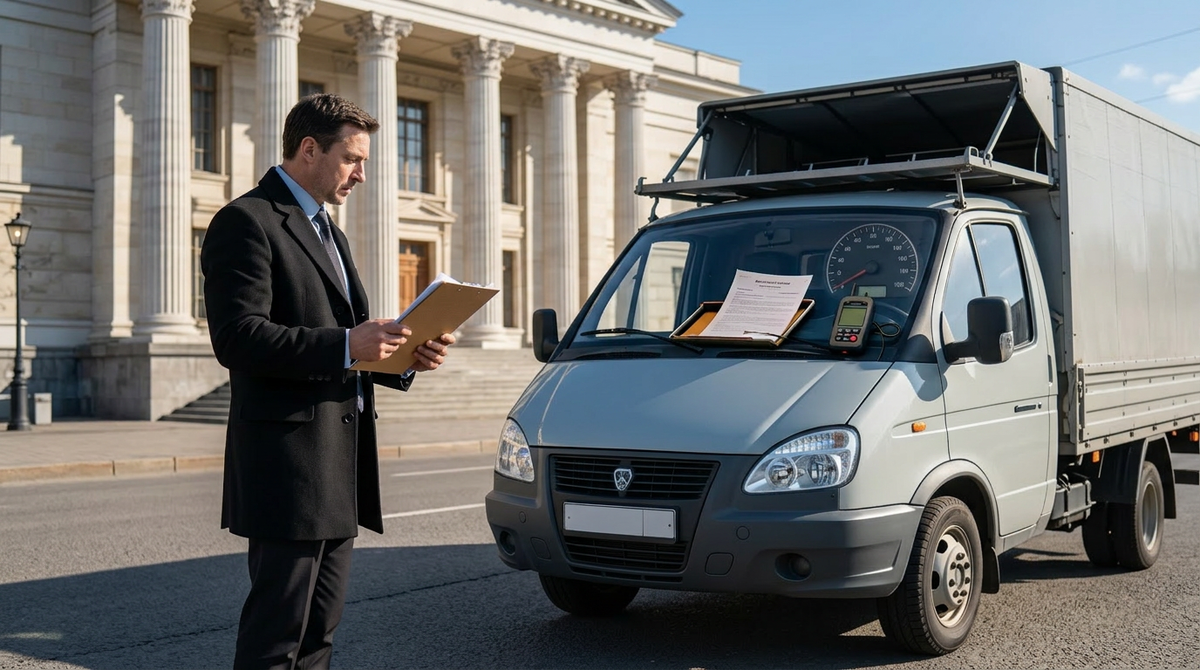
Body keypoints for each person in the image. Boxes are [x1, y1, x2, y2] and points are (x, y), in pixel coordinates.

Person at [201, 93, 456, 670]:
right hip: (288, 465)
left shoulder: (330, 233)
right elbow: (237, 338)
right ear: (309, 149)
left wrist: (402, 356)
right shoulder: (246, 220)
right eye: (353, 159)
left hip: (339, 463)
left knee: (319, 637)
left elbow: (349, 344)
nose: (363, 175)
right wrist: (347, 343)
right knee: (276, 639)